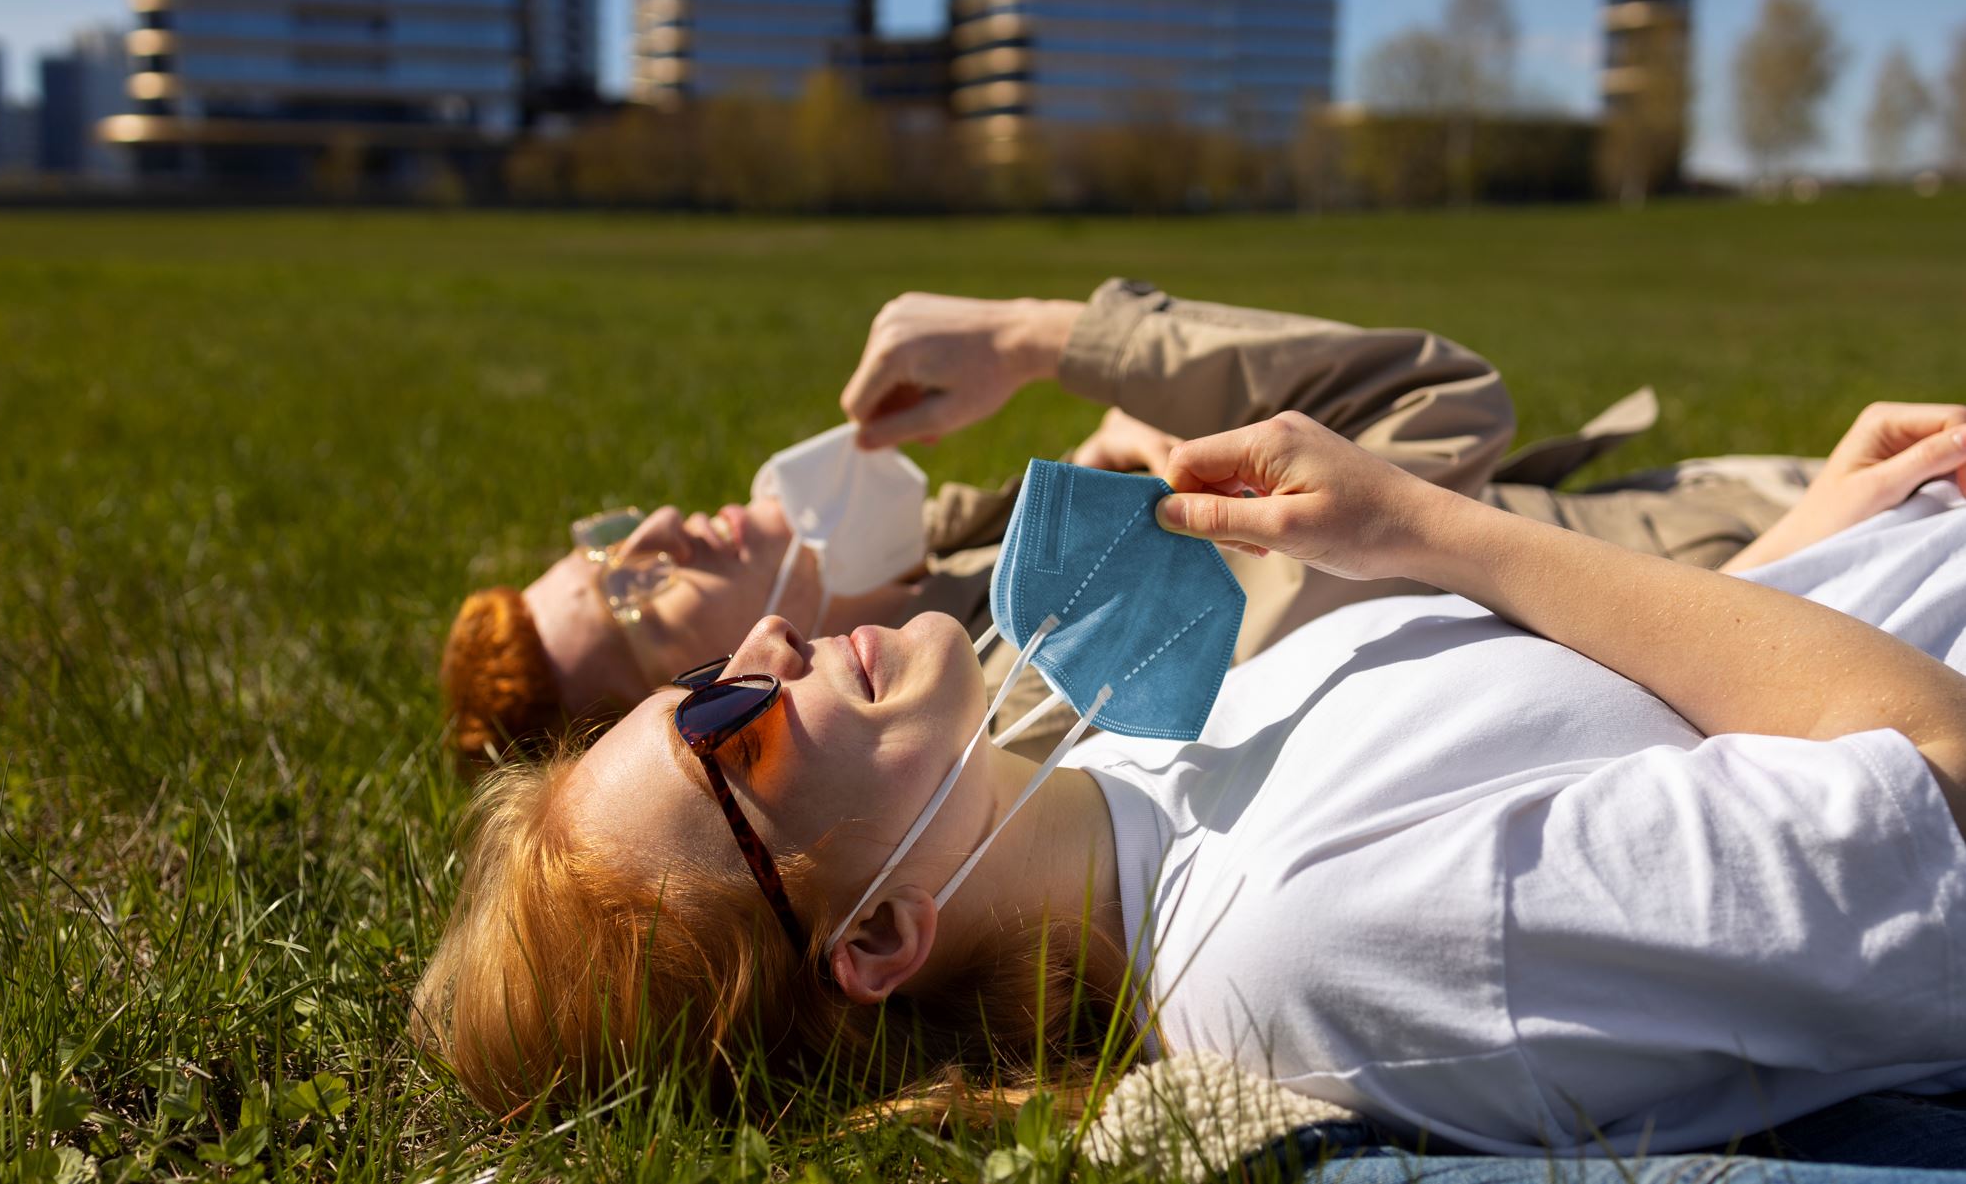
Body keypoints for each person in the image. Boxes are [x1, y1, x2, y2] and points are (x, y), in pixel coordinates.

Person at [411, 393, 1966, 1159]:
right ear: (873, 939)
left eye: (708, 672)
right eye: (728, 731)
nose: (769, 639)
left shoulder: (1132, 753)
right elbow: (1943, 783)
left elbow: (1630, 724)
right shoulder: (1319, 943)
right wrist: (1434, 529)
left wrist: (1813, 545)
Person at [439, 282, 1843, 768]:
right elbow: (1435, 406)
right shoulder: (1059, 663)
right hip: (1792, 590)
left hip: (1736, 514)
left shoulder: (951, 575)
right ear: (724, 706)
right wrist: (1050, 335)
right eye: (635, 599)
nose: (665, 531)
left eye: (608, 534)